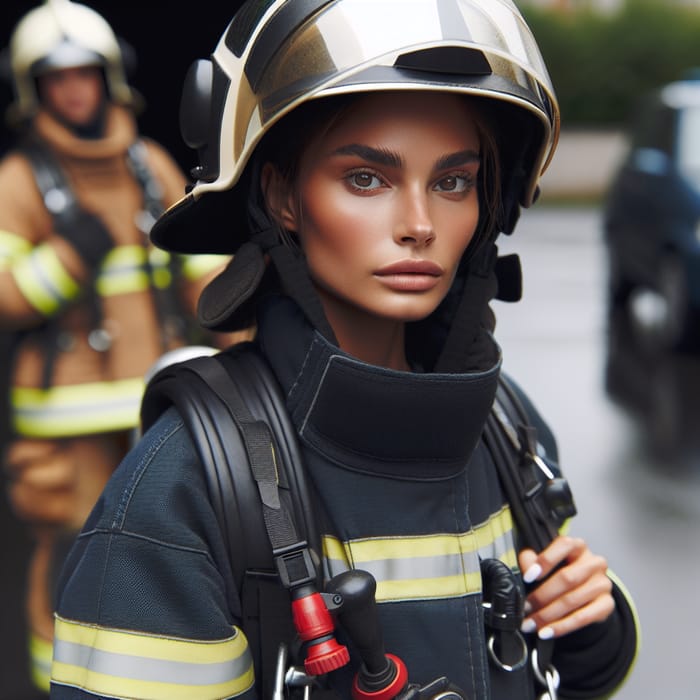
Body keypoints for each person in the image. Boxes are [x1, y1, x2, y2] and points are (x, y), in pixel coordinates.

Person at [50, 1, 640, 698]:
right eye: (367, 178)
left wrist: (594, 630)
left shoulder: (508, 430)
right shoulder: (181, 489)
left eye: (453, 182)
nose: (419, 224)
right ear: (282, 197)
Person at [0, 0, 235, 692]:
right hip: (63, 416)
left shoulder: (148, 165)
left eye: (85, 74)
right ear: (34, 90)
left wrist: (241, 306)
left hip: (154, 400)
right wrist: (67, 259)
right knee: (70, 549)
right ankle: (54, 683)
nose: (74, 90)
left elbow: (196, 276)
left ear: (109, 78)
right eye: (56, 79)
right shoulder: (19, 182)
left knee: (168, 549)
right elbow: (7, 295)